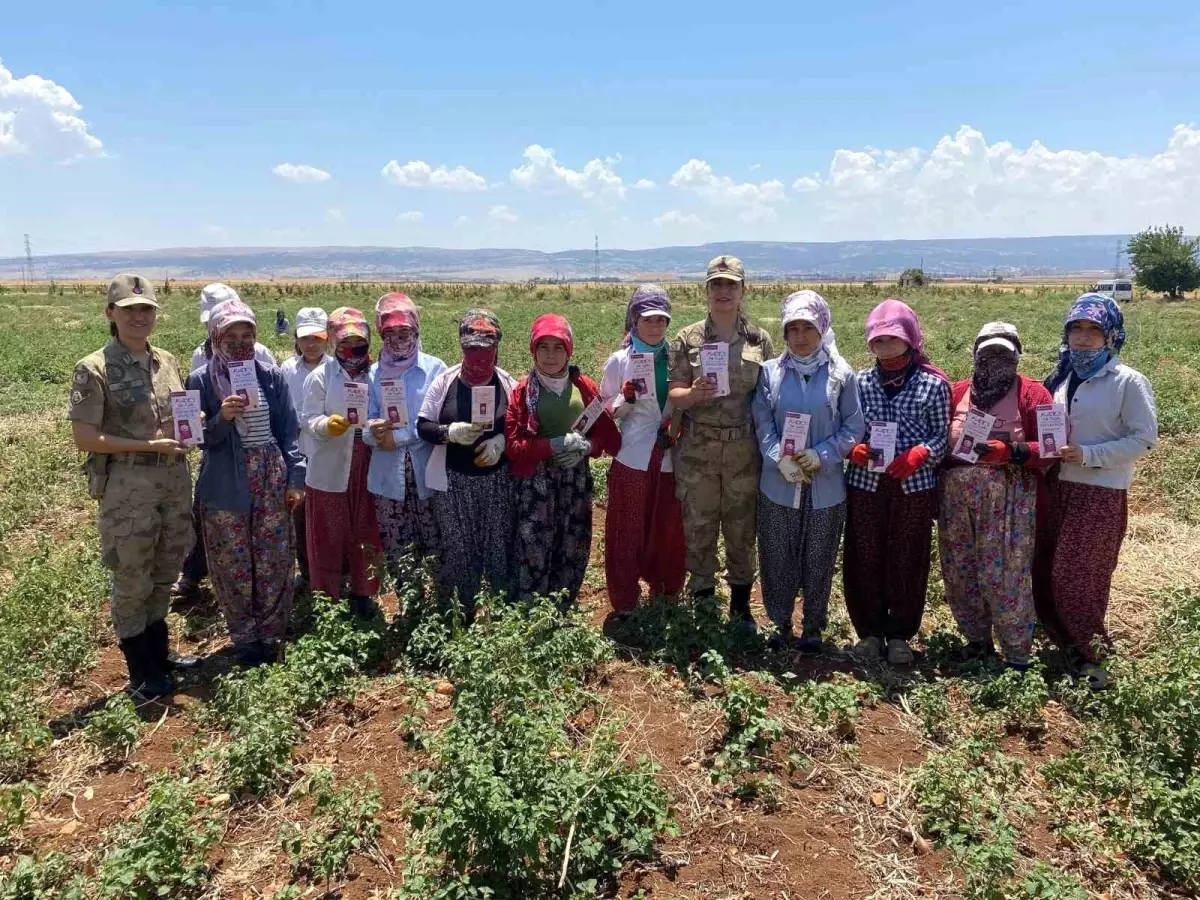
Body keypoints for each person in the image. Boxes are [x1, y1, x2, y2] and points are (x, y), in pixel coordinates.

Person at [67, 274, 199, 699]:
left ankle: (158, 652)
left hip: (173, 481)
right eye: (129, 310)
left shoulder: (167, 360)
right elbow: (85, 438)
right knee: (132, 576)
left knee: (166, 568)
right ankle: (140, 670)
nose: (139, 317)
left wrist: (189, 430)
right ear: (110, 314)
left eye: (146, 310)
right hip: (128, 484)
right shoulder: (94, 368)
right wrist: (147, 444)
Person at [1034, 294, 1157, 690]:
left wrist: (1089, 454)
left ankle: (1093, 658)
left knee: (1080, 576)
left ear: (1112, 335)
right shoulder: (1062, 377)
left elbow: (1144, 439)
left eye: (1094, 330)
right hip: (1057, 487)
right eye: (1076, 329)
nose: (1083, 339)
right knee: (1048, 569)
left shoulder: (1128, 382)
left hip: (1098, 491)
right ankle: (1064, 644)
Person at [187, 300, 305, 666]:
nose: (240, 343)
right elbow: (193, 437)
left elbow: (289, 432)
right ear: (215, 337)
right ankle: (244, 639)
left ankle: (270, 637)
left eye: (247, 335)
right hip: (225, 480)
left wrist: (296, 477)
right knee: (231, 561)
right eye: (231, 336)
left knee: (273, 557)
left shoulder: (271, 375)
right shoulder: (200, 380)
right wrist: (221, 418)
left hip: (270, 474)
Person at [938, 323, 1055, 671]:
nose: (995, 362)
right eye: (988, 354)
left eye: (1004, 354)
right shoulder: (958, 392)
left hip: (1010, 499)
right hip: (957, 499)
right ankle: (977, 642)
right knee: (961, 570)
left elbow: (1052, 447)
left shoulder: (1035, 394)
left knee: (1006, 575)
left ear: (1017, 356)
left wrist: (1012, 451)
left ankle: (1017, 655)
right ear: (975, 355)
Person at [751, 291, 864, 652]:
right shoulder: (770, 374)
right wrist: (776, 457)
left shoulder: (841, 375)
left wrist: (822, 454)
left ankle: (813, 626)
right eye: (792, 329)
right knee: (776, 553)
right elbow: (762, 422)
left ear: (823, 329)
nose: (800, 336)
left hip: (825, 485)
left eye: (808, 328)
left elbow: (853, 427)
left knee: (819, 556)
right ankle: (780, 623)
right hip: (778, 482)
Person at [667, 256, 775, 628]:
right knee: (698, 525)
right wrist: (693, 394)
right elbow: (674, 394)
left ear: (744, 289)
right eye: (717, 284)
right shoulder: (687, 338)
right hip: (698, 447)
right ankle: (703, 602)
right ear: (707, 290)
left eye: (731, 284)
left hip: (744, 449)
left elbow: (769, 396)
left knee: (741, 528)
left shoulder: (759, 339)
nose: (724, 291)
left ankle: (741, 607)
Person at [843, 298, 951, 665]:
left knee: (908, 556)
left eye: (893, 339)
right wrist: (853, 450)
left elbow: (941, 436)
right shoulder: (859, 383)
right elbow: (847, 429)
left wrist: (921, 452)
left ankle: (901, 634)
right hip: (866, 484)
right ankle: (870, 632)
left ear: (911, 340)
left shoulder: (933, 385)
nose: (885, 347)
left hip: (913, 487)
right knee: (864, 556)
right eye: (878, 340)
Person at [507, 313, 621, 606]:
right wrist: (553, 445)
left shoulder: (583, 386)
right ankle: (531, 611)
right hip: (537, 484)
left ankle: (562, 606)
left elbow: (608, 438)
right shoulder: (523, 393)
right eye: (543, 347)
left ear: (569, 351)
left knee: (572, 544)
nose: (550, 355)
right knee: (534, 545)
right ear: (533, 350)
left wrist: (586, 447)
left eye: (558, 348)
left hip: (575, 481)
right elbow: (515, 446)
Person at [174, 284, 277, 600]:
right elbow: (196, 408)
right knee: (208, 511)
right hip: (220, 448)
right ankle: (194, 573)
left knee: (261, 520)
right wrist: (205, 420)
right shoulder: (199, 356)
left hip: (258, 449)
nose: (236, 341)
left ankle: (259, 582)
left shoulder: (259, 354)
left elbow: (275, 402)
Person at [417, 310, 516, 612]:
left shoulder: (508, 384)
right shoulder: (444, 383)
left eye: (485, 350)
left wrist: (502, 443)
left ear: (496, 348)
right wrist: (450, 432)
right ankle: (464, 611)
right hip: (453, 483)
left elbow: (520, 428)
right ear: (461, 347)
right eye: (471, 349)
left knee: (498, 546)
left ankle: (498, 610)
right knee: (459, 548)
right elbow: (423, 427)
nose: (478, 357)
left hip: (497, 482)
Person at [600, 285, 687, 618]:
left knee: (667, 528)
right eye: (648, 320)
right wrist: (625, 399)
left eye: (661, 320)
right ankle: (625, 600)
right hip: (632, 456)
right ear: (634, 321)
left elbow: (684, 403)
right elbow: (606, 406)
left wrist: (675, 426)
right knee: (626, 529)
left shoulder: (678, 360)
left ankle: (665, 592)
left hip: (669, 455)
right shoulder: (620, 360)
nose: (655, 327)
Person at [301, 307, 384, 615]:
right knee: (328, 535)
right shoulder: (320, 376)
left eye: (359, 344)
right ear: (334, 344)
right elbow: (309, 419)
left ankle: (363, 594)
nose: (352, 351)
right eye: (345, 344)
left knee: (365, 530)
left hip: (367, 463)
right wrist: (327, 425)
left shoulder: (376, 375)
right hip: (330, 467)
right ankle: (327, 599)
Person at [364, 293, 446, 586]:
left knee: (436, 544)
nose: (398, 339)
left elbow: (437, 423)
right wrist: (374, 431)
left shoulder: (435, 369)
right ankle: (409, 609)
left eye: (404, 332)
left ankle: (440, 609)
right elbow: (366, 421)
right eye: (390, 333)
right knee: (397, 547)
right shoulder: (373, 374)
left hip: (427, 476)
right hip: (388, 479)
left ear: (416, 331)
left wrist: (397, 438)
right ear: (380, 335)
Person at [279, 307, 331, 593]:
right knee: (299, 516)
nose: (311, 344)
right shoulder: (287, 369)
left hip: (327, 451)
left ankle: (334, 571)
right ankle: (308, 572)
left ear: (327, 339)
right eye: (305, 338)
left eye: (317, 338)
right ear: (297, 340)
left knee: (327, 514)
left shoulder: (335, 368)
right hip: (298, 452)